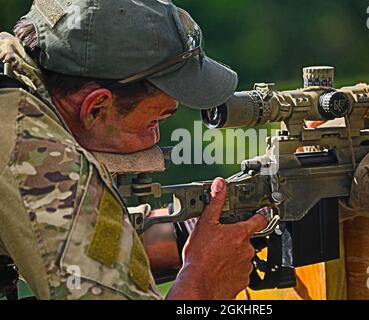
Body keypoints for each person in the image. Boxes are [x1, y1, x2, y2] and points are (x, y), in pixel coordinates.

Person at [0, 0, 267, 300]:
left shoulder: (12, 85)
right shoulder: (35, 153)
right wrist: (202, 283)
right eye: (153, 120)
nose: (155, 139)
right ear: (95, 108)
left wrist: (184, 232)